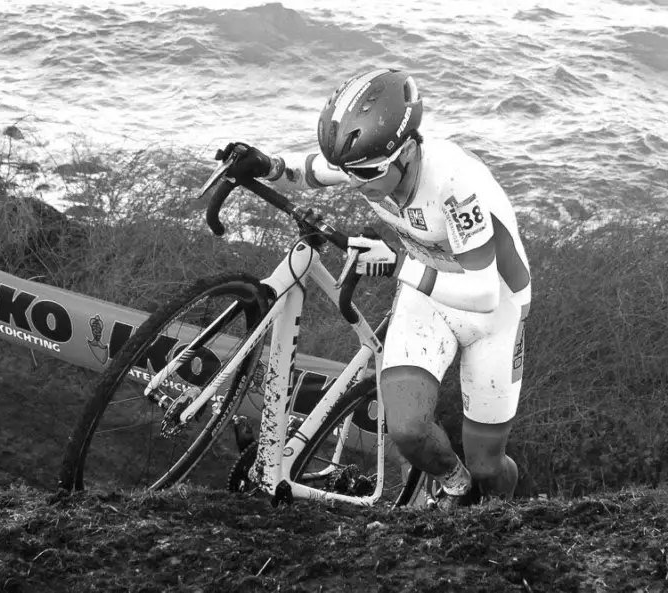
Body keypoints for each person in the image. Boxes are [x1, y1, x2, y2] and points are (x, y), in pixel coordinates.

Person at [216, 68, 531, 508]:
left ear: (404, 152)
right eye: (350, 171)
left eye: (363, 172)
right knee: (407, 430)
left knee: (488, 466)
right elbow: (307, 171)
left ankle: (501, 510)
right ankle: (454, 486)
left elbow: (483, 295)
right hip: (428, 297)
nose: (355, 181)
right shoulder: (369, 163)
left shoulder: (456, 187)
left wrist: (401, 263)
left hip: (492, 311)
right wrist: (265, 166)